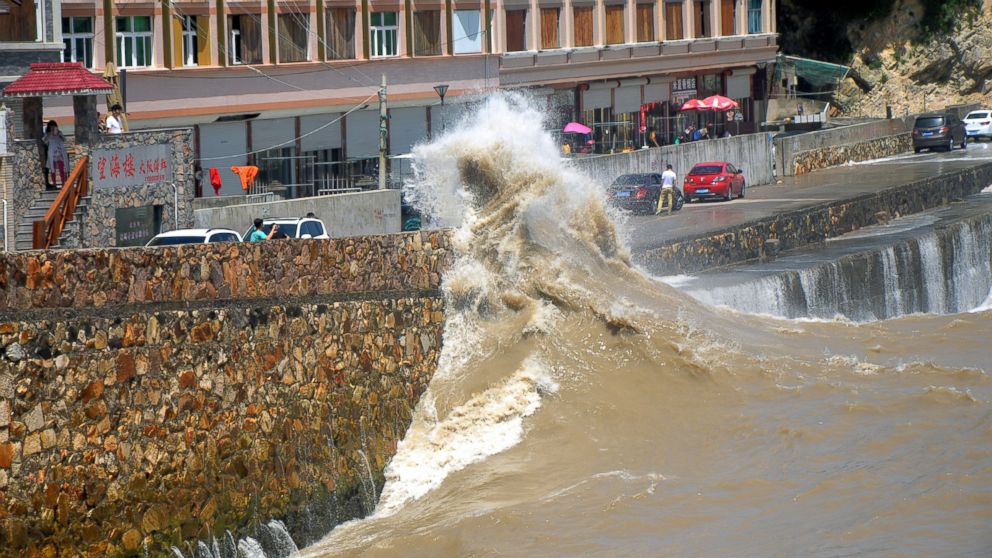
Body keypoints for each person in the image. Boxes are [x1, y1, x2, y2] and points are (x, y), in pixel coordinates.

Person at [43, 120, 68, 188]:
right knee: (52, 169)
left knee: (61, 168)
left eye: (54, 127)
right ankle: (54, 183)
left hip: (59, 153)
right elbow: (45, 141)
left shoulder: (59, 133)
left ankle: (63, 183)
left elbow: (64, 140)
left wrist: (60, 134)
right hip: (52, 154)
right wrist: (50, 135)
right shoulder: (48, 134)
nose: (53, 128)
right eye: (51, 127)